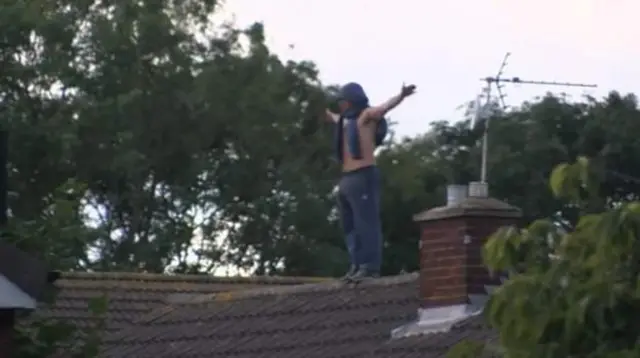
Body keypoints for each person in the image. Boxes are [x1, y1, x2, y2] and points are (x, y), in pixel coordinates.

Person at [324, 82, 416, 280]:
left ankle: (369, 266)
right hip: (346, 177)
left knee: (366, 222)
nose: (340, 105)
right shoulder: (344, 122)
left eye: (343, 101)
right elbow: (332, 116)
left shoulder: (365, 117)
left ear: (351, 101)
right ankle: (356, 264)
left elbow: (384, 107)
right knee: (350, 226)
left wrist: (401, 95)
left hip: (363, 173)